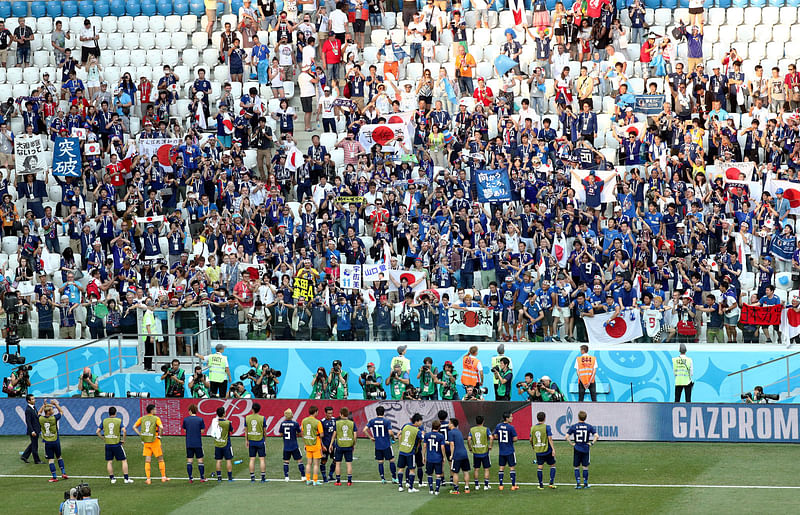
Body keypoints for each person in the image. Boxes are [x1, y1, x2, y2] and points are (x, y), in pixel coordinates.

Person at [133, 403, 169, 484]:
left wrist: (140, 434)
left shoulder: (142, 418)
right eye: (155, 409)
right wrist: (160, 435)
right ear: (152, 410)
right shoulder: (156, 418)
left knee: (147, 460)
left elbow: (134, 427)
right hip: (155, 441)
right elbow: (161, 427)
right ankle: (163, 477)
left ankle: (148, 479)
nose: (156, 411)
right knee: (160, 459)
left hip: (146, 441)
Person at [96, 406, 133, 484]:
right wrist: (123, 440)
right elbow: (124, 431)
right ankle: (126, 479)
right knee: (124, 460)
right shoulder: (119, 420)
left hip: (108, 444)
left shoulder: (104, 421)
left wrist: (103, 438)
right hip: (116, 444)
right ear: (115, 413)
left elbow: (97, 432)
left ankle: (112, 479)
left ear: (109, 413)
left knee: (109, 462)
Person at [363, 405, 398, 484]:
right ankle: (394, 478)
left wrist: (371, 437)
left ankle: (382, 479)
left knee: (380, 461)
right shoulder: (386, 421)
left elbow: (364, 430)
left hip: (378, 445)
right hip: (386, 444)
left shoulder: (372, 421)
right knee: (391, 460)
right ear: (383, 412)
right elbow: (390, 432)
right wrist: (393, 438)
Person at [565, 410, 599, 489]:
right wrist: (591, 443)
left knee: (576, 466)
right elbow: (597, 436)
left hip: (577, 448)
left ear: (578, 417)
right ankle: (585, 483)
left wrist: (572, 443)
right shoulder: (589, 426)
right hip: (585, 448)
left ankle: (578, 483)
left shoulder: (574, 426)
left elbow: (566, 436)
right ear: (585, 418)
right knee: (585, 466)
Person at [38, 399, 68, 482]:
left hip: (47, 442)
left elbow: (39, 413)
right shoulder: (54, 418)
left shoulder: (41, 419)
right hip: (55, 441)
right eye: (51, 409)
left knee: (51, 460)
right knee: (59, 457)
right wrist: (56, 404)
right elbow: (61, 412)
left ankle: (54, 477)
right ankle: (63, 473)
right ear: (48, 412)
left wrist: (43, 406)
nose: (53, 411)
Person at [397, 413, 424, 493]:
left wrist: (401, 443)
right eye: (420, 421)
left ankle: (400, 486)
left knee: (401, 469)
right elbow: (423, 438)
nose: (421, 423)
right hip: (410, 452)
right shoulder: (417, 430)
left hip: (402, 450)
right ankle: (411, 488)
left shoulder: (405, 426)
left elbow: (399, 434)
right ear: (416, 421)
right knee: (412, 469)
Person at [330, 406, 357, 486]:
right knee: (349, 464)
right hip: (349, 445)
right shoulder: (352, 423)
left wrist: (331, 444)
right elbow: (355, 435)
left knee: (338, 463)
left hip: (339, 445)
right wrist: (353, 444)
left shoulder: (337, 423)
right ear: (347, 414)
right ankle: (349, 481)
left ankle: (338, 481)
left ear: (341, 414)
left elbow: (334, 434)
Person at [531, 411, 557, 490]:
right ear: (544, 418)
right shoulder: (547, 427)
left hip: (538, 450)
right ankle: (551, 483)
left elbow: (530, 439)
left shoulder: (533, 428)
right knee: (552, 465)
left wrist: (533, 446)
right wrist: (553, 449)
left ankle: (540, 484)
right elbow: (550, 438)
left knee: (540, 466)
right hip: (547, 450)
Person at [493, 411, 518, 491]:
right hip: (510, 450)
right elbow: (515, 439)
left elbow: (495, 436)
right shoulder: (511, 427)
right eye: (511, 417)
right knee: (512, 468)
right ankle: (513, 485)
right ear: (507, 418)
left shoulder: (498, 426)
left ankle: (501, 485)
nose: (512, 418)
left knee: (501, 468)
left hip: (502, 451)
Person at [279, 408, 306, 481]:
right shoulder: (295, 423)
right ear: (292, 415)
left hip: (286, 446)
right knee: (299, 461)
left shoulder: (282, 423)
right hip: (294, 446)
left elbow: (281, 434)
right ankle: (303, 476)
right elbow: (300, 433)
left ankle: (286, 477)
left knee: (286, 462)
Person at [182, 404, 207, 483]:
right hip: (198, 443)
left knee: (189, 460)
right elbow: (202, 431)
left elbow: (185, 430)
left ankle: (190, 478)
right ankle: (202, 478)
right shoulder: (200, 419)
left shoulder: (186, 420)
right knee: (200, 460)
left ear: (190, 411)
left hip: (189, 442)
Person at [467, 415, 492, 491]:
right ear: (483, 421)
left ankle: (477, 485)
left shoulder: (472, 429)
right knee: (486, 469)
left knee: (476, 469)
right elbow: (491, 437)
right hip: (484, 451)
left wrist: (470, 447)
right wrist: (490, 446)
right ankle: (486, 485)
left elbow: (468, 439)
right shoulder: (486, 429)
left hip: (476, 452)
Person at [301, 405, 324, 485]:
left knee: (308, 463)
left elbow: (302, 433)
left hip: (308, 444)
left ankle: (308, 479)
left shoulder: (304, 420)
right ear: (315, 412)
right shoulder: (318, 422)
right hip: (316, 445)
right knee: (316, 464)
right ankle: (315, 480)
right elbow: (321, 434)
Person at [245, 403, 268, 483]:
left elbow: (246, 431)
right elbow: (265, 431)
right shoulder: (262, 418)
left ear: (252, 409)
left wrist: (246, 440)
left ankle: (252, 478)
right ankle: (263, 478)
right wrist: (265, 439)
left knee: (252, 459)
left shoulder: (247, 418)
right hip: (260, 441)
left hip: (251, 441)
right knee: (262, 459)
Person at [447, 418, 470, 494]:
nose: (448, 424)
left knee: (455, 472)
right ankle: (467, 488)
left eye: (449, 423)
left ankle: (456, 489)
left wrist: (451, 455)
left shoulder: (450, 432)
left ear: (452, 424)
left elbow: (452, 444)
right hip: (464, 454)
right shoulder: (459, 432)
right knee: (465, 471)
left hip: (457, 455)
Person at [212, 406, 234, 482]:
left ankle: (219, 478)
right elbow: (232, 431)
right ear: (224, 413)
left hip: (217, 443)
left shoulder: (215, 422)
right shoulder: (227, 422)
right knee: (228, 460)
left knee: (218, 460)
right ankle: (230, 478)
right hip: (226, 444)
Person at [423, 420, 445, 495]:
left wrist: (423, 456)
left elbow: (425, 446)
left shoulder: (427, 435)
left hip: (430, 458)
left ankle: (431, 489)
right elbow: (442, 447)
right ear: (439, 427)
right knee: (438, 474)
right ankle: (437, 490)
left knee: (430, 474)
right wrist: (444, 456)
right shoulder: (441, 436)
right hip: (438, 458)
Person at [20, 394, 42, 464]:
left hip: (37, 429)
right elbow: (28, 422)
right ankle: (37, 460)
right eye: (32, 399)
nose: (34, 400)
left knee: (33, 444)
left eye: (34, 399)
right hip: (33, 430)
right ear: (28, 401)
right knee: (35, 445)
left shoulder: (33, 407)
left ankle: (24, 456)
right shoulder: (28, 410)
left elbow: (37, 416)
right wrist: (32, 431)